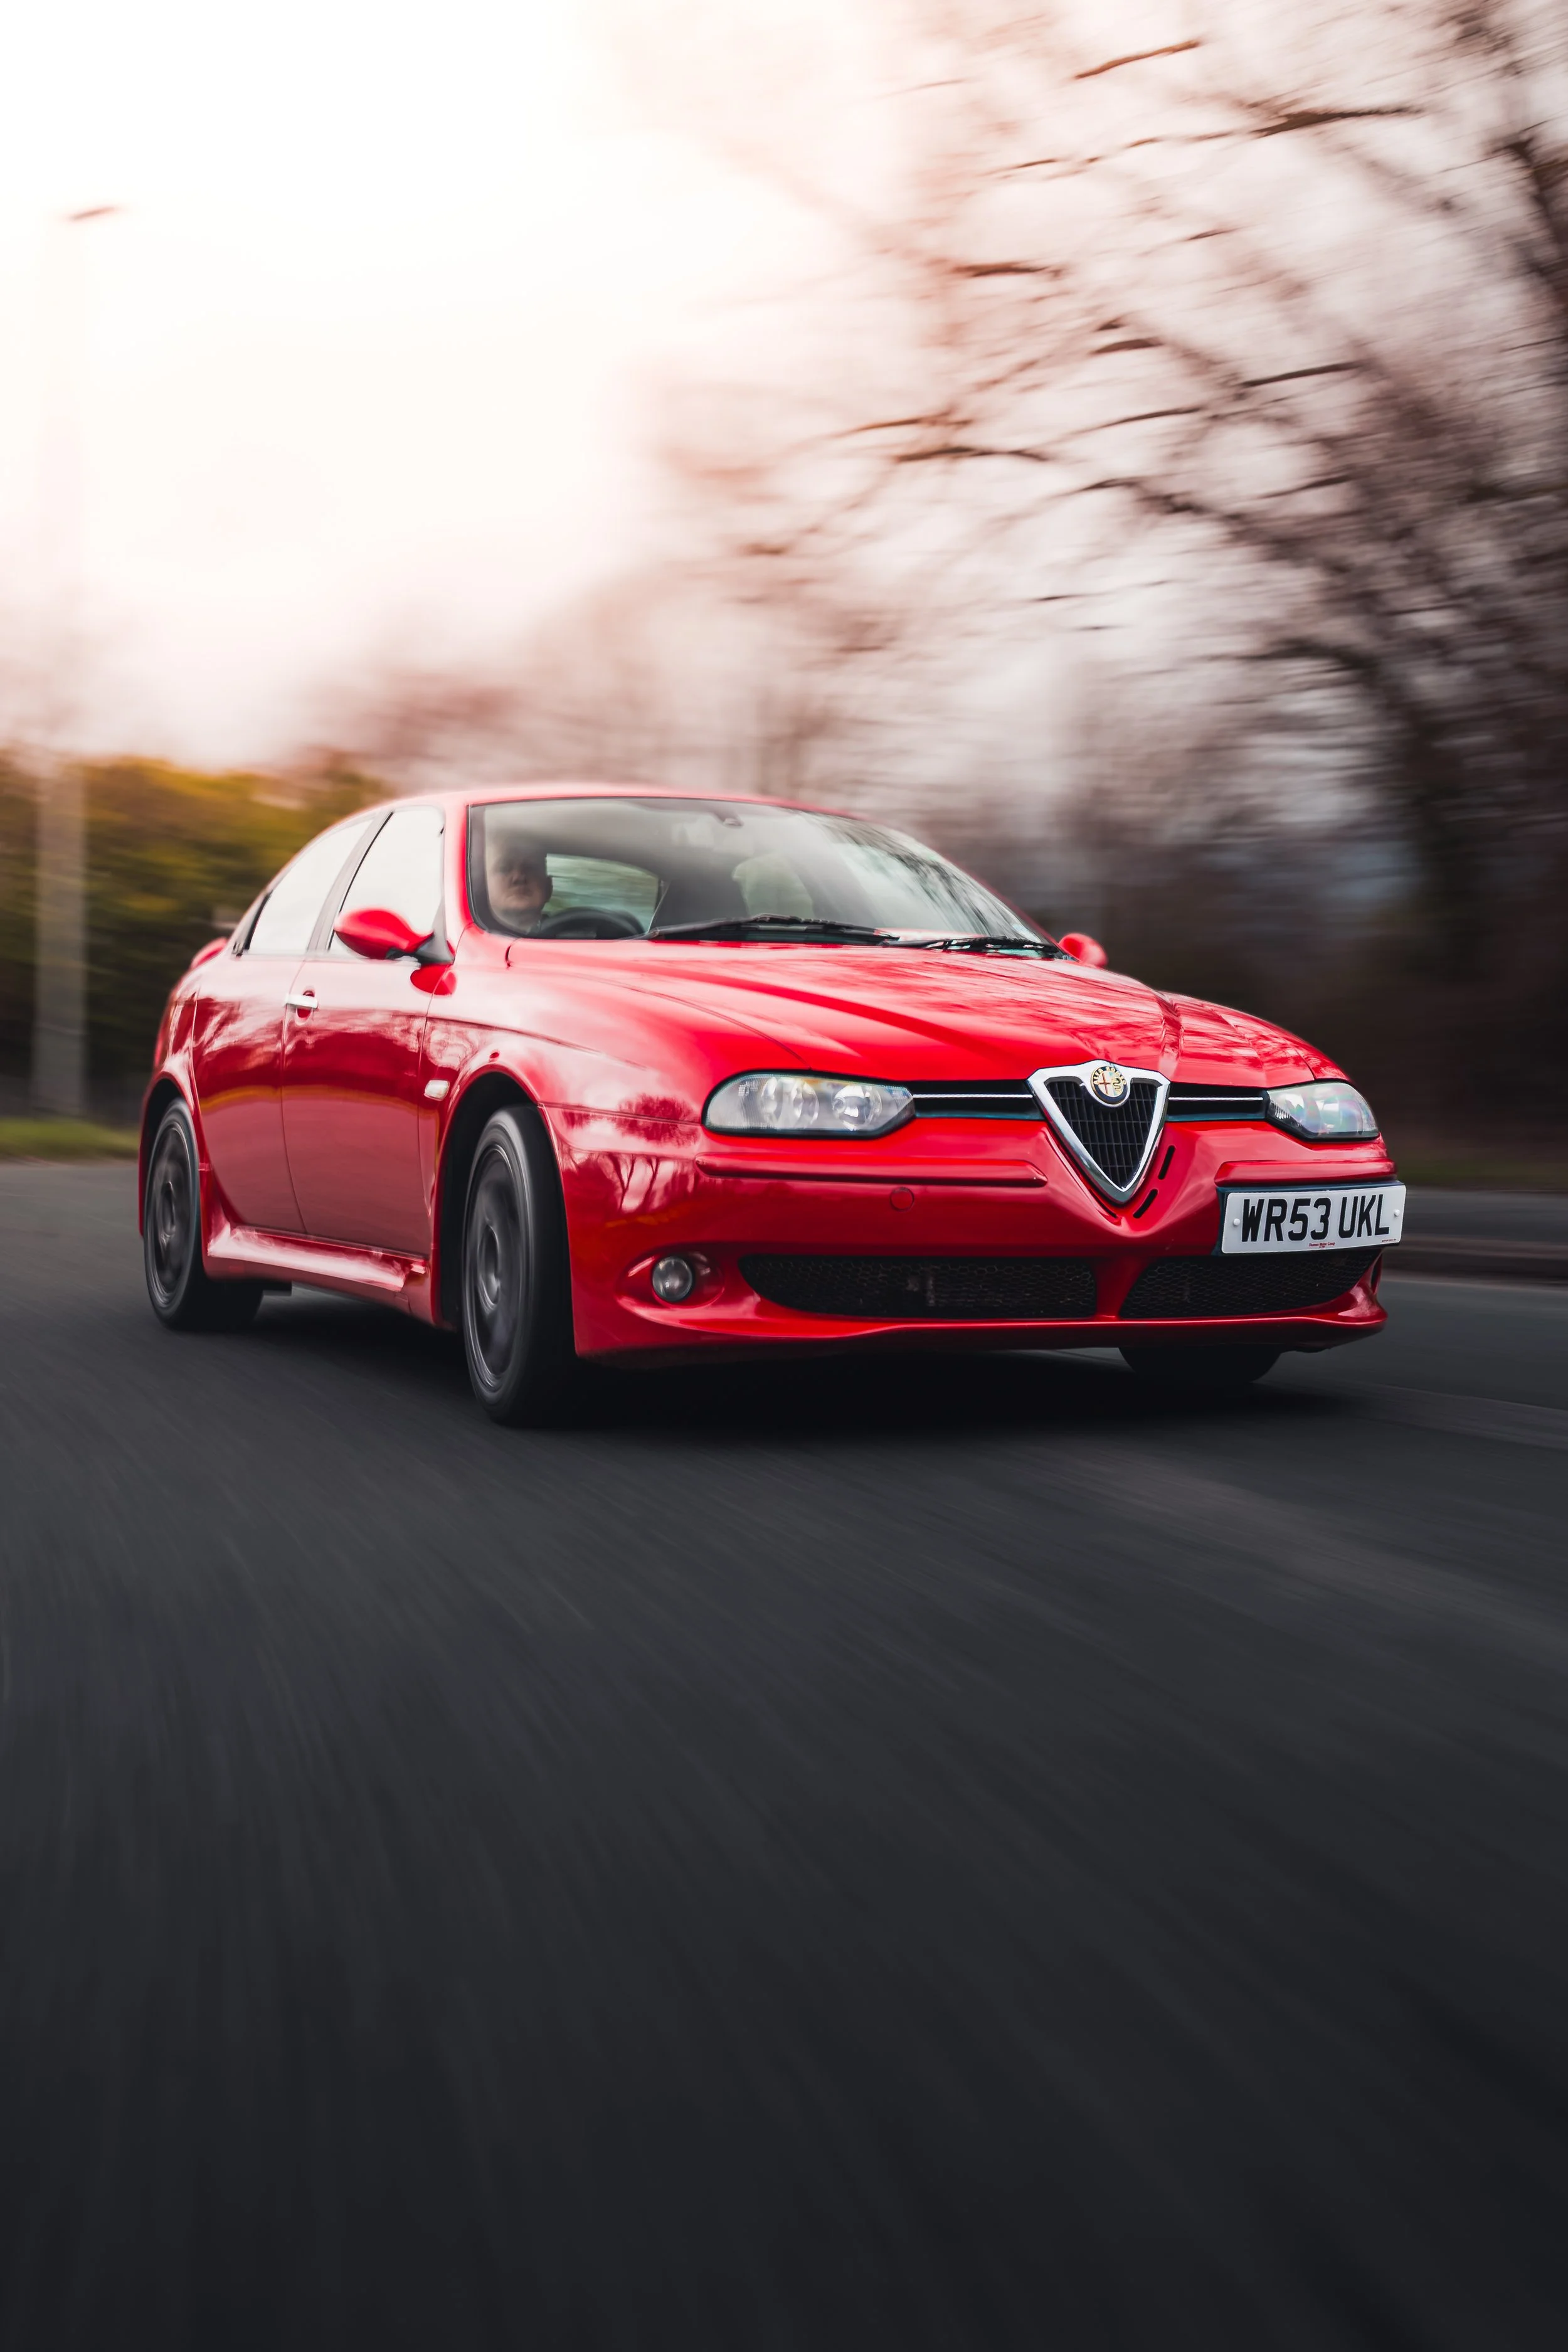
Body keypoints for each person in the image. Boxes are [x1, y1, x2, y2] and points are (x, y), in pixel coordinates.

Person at [488, 843, 553, 934]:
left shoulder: (570, 938)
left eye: (531, 868)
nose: (519, 877)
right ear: (484, 885)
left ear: (548, 887)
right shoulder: (467, 941)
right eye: (504, 869)